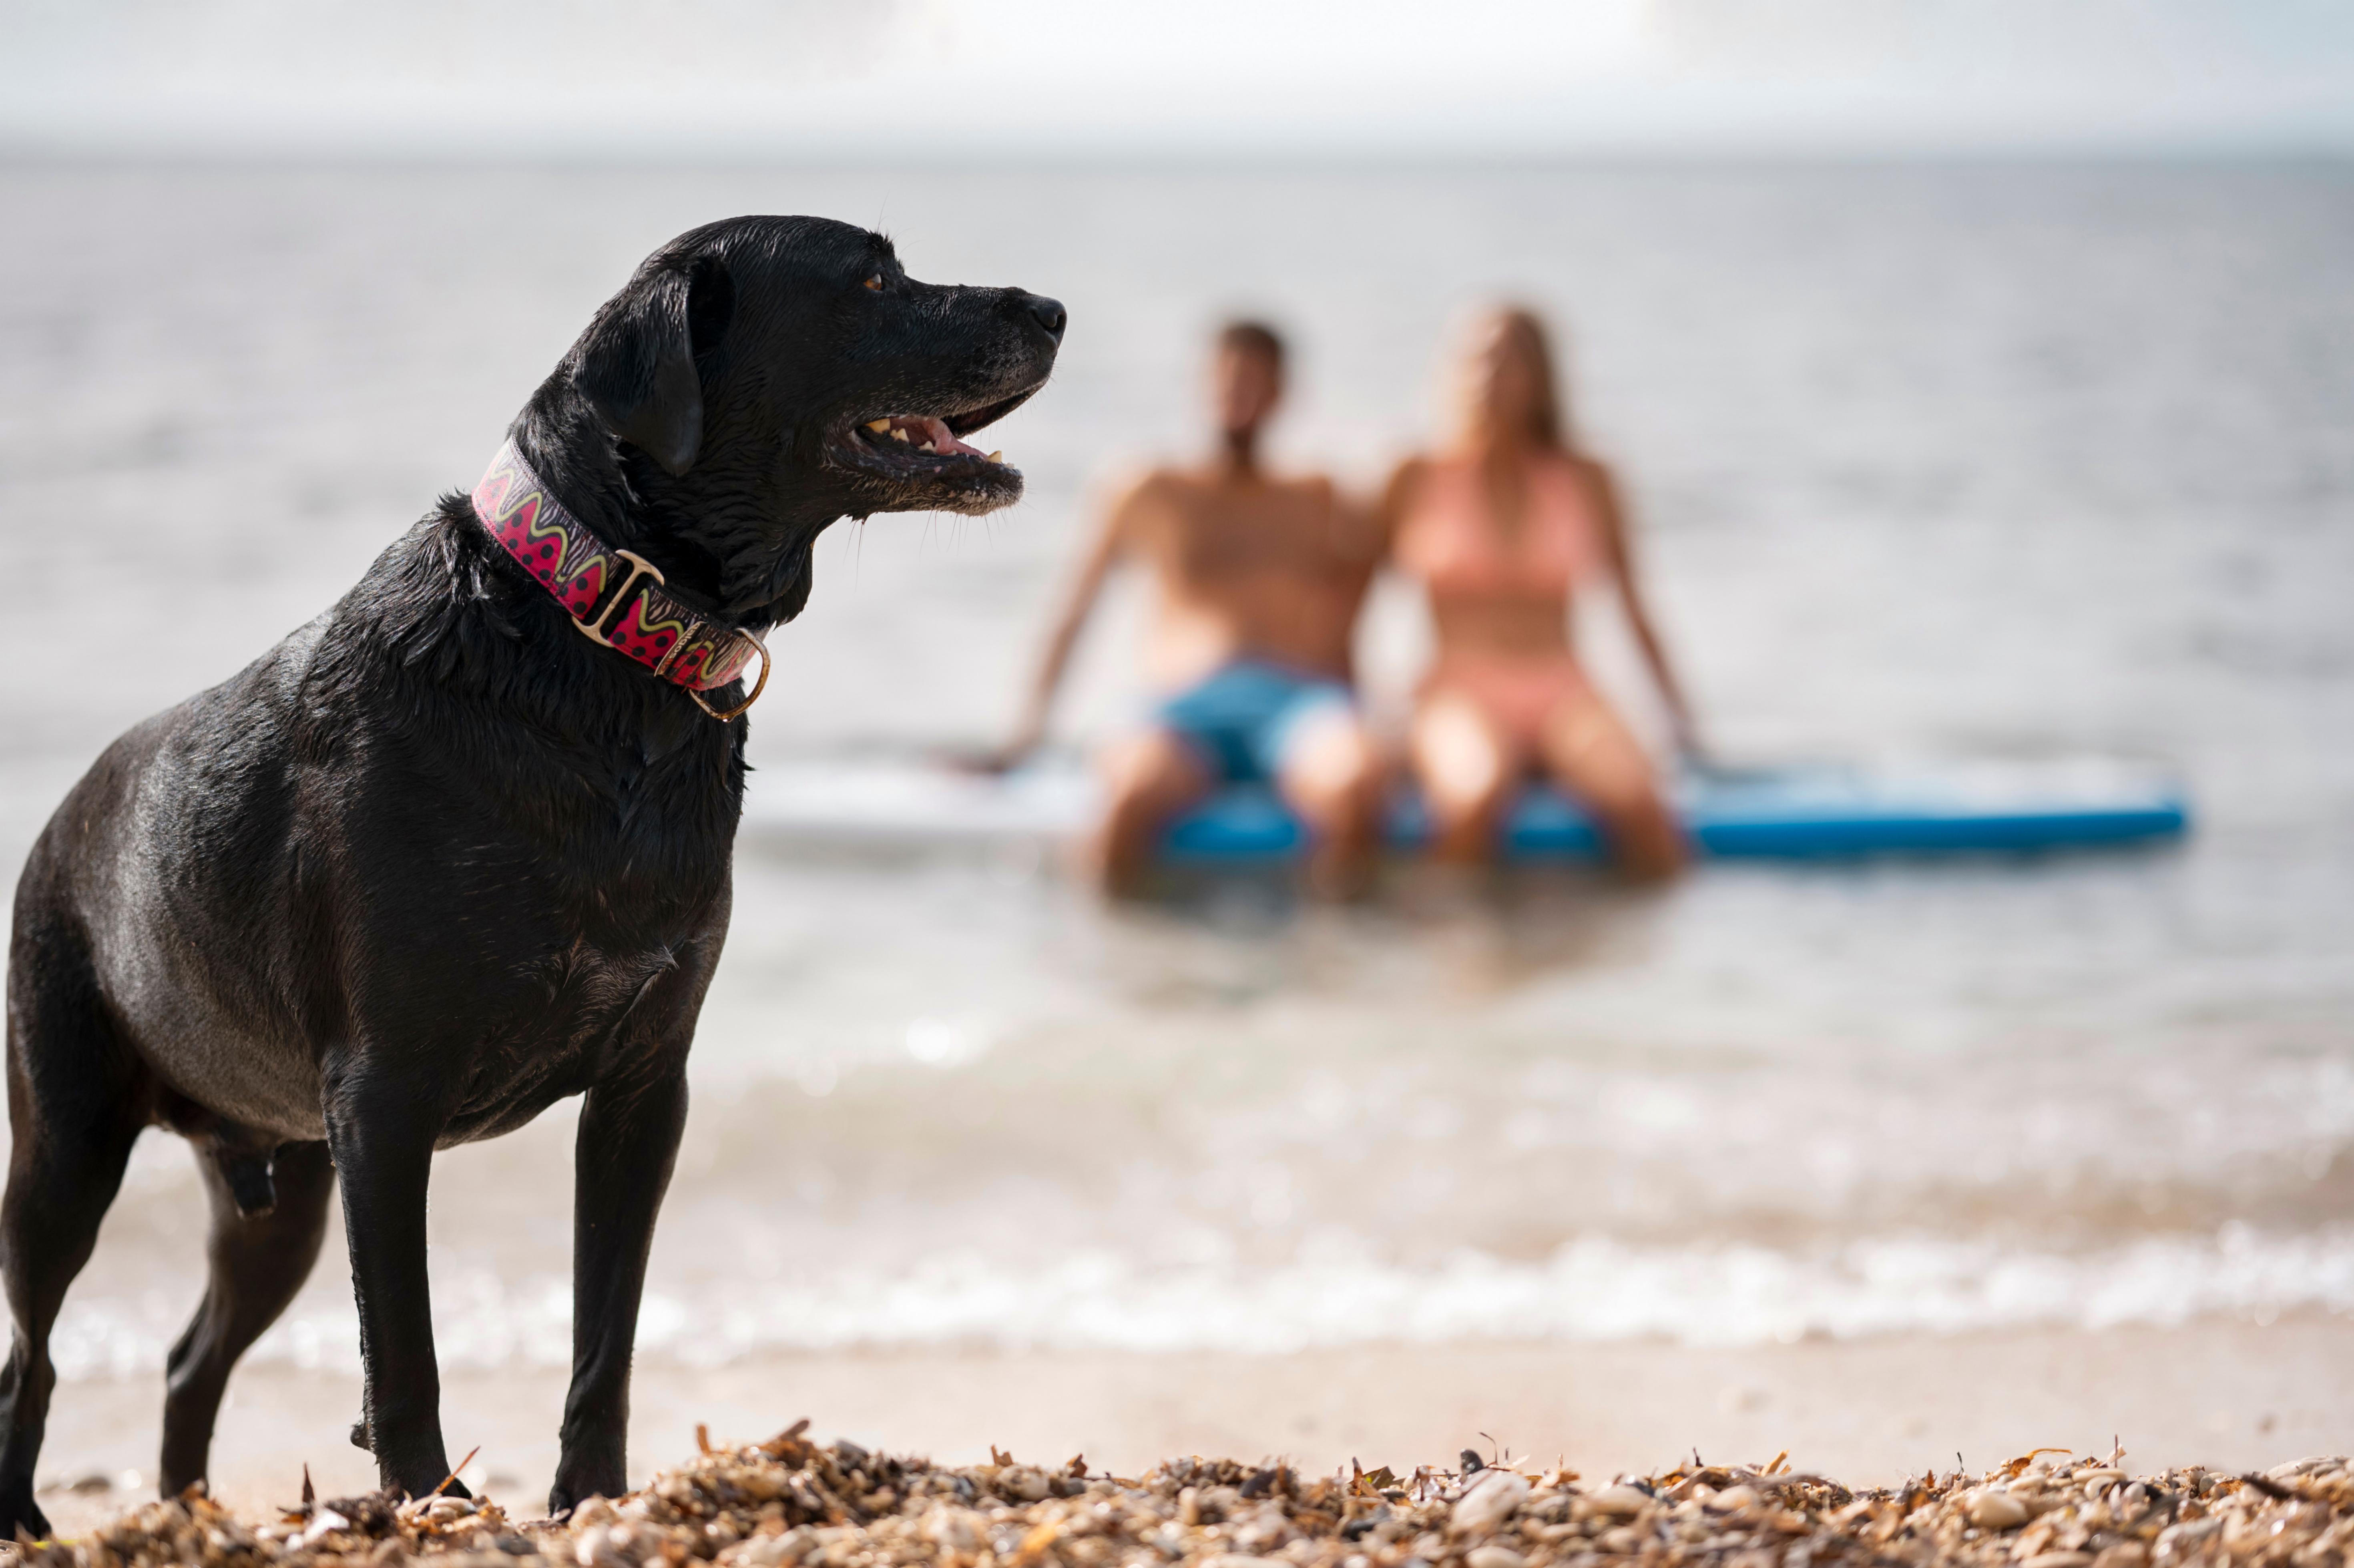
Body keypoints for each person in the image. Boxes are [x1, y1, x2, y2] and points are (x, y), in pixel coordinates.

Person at [991, 321, 1385, 897]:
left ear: (1283, 394)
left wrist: (1361, 715)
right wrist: (1027, 737)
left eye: (1257, 384)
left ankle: (1330, 949)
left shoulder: (1318, 495)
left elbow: (1349, 621)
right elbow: (1074, 615)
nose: (1241, 398)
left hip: (1294, 703)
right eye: (1230, 382)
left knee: (1351, 789)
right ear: (1204, 384)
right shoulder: (1149, 488)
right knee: (1127, 798)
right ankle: (1102, 947)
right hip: (1183, 708)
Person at [1378, 306, 1695, 879]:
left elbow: (1634, 607)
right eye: (1478, 362)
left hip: (1562, 687)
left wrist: (1683, 723)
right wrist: (1362, 716)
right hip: (1455, 690)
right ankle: (1451, 932)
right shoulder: (1416, 473)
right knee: (1474, 798)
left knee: (1640, 807)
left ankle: (1639, 937)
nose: (1490, 378)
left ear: (1540, 377)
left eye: (1508, 363)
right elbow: (1351, 599)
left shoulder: (1587, 477)